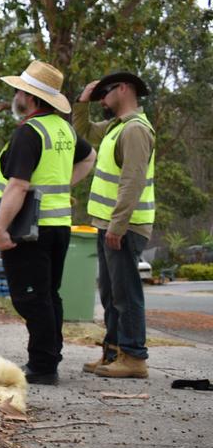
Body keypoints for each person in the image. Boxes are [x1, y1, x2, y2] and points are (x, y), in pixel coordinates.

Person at [0, 60, 96, 385]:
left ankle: (44, 364)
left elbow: (18, 185)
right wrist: (65, 185)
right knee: (50, 294)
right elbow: (90, 157)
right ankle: (49, 356)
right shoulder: (63, 129)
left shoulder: (29, 132)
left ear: (31, 98)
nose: (16, 95)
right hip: (59, 224)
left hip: (30, 229)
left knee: (30, 297)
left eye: (20, 90)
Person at [74, 72, 155, 379]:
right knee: (110, 292)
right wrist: (83, 102)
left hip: (125, 226)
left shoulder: (135, 130)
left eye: (105, 93)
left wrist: (118, 227)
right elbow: (82, 131)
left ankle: (134, 357)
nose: (102, 100)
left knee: (126, 293)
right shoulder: (115, 127)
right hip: (108, 223)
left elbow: (132, 182)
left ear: (124, 89)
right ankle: (113, 352)